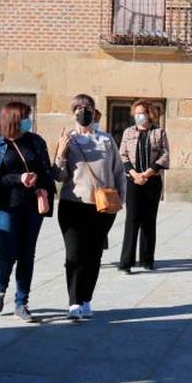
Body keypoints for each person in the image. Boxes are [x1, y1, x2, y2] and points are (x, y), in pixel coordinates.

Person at [0, 101, 56, 322]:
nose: (30, 120)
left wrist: (39, 179)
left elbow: (45, 170)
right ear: (14, 119)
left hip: (32, 207)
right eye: (26, 116)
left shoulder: (35, 141)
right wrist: (18, 179)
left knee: (27, 254)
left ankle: (22, 302)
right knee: (7, 251)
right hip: (5, 206)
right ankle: (0, 289)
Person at [52, 94, 125, 320]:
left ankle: (85, 299)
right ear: (73, 111)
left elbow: (118, 171)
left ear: (94, 112)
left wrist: (121, 198)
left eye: (88, 107)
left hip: (102, 207)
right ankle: (73, 301)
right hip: (73, 205)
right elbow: (58, 175)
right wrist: (62, 154)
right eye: (79, 107)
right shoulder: (68, 139)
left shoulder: (106, 140)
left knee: (93, 256)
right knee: (74, 255)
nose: (83, 111)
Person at [118, 100, 170, 273]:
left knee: (149, 220)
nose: (139, 116)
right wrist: (135, 174)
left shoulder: (159, 132)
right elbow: (123, 155)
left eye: (142, 112)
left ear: (149, 114)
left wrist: (147, 173)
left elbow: (164, 154)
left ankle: (147, 259)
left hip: (152, 181)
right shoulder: (128, 132)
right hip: (133, 180)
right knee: (132, 220)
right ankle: (126, 262)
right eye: (136, 112)